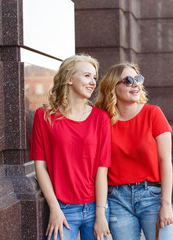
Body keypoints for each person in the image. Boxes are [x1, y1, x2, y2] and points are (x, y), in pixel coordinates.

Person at [30, 54, 111, 240]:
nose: (93, 82)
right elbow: (40, 167)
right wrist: (54, 208)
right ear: (69, 79)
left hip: (95, 207)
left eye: (94, 77)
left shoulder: (101, 119)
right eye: (87, 76)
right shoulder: (45, 116)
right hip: (62, 208)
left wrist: (100, 214)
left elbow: (102, 170)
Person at [95, 63, 173, 240]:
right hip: (117, 199)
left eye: (138, 79)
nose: (135, 84)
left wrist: (166, 203)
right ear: (112, 88)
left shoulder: (153, 113)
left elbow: (165, 161)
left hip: (152, 197)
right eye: (128, 80)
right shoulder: (103, 121)